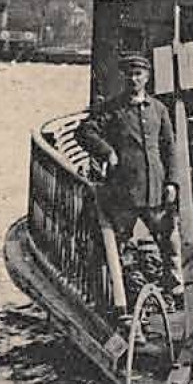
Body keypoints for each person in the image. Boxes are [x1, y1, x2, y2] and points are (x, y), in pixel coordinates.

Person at [76, 52, 180, 295]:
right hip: (124, 189)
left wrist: (172, 182)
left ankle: (174, 284)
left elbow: (170, 148)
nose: (134, 79)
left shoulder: (159, 110)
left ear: (147, 77)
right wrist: (107, 152)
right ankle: (115, 290)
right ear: (124, 77)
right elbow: (85, 132)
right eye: (130, 75)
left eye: (139, 74)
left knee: (167, 238)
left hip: (155, 187)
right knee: (118, 242)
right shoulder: (113, 109)